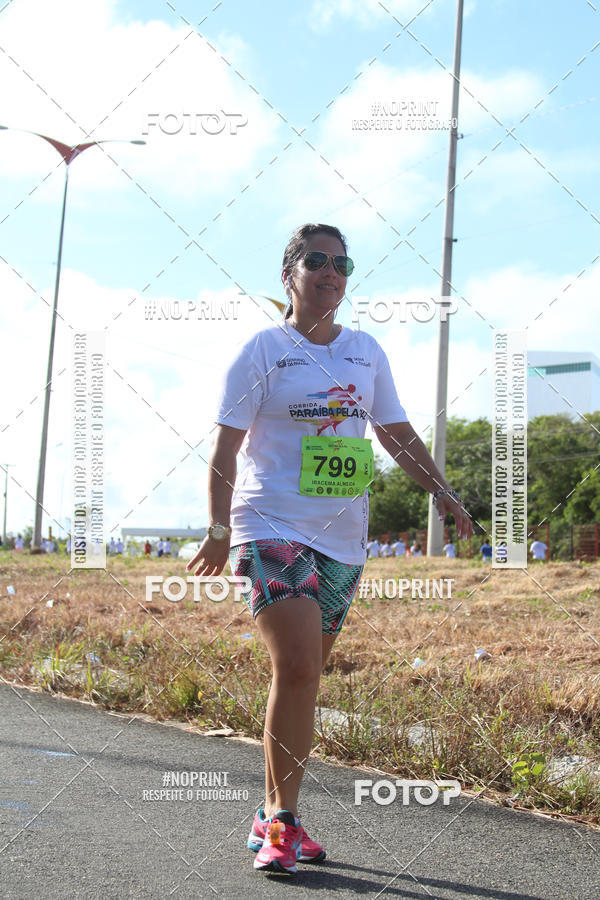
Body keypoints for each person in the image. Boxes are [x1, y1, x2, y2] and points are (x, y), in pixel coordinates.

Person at [186, 223, 472, 875]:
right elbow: (226, 447)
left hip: (342, 537)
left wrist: (442, 492)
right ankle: (282, 825)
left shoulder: (365, 352)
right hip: (270, 525)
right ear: (290, 271)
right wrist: (217, 526)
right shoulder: (262, 349)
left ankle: (271, 811)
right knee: (298, 668)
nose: (331, 271)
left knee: (307, 678)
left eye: (342, 262)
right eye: (316, 259)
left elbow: (396, 432)